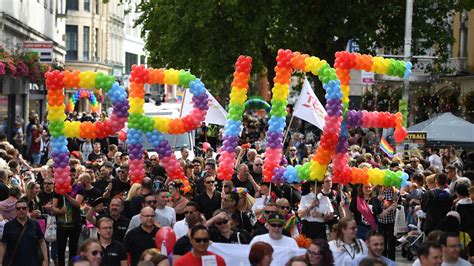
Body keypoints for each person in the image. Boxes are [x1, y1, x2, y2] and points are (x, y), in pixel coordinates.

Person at [0, 199, 48, 266]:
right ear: (15, 210)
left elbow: (42, 241)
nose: (21, 210)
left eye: (24, 208)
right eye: (18, 208)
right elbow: (3, 244)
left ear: (28, 209)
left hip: (33, 262)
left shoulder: (35, 224)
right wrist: (0, 262)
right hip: (14, 262)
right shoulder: (8, 225)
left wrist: (46, 259)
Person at [52, 178, 84, 266]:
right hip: (61, 224)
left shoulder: (79, 188)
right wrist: (60, 211)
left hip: (75, 224)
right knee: (60, 249)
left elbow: (77, 204)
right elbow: (53, 207)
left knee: (73, 249)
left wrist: (66, 195)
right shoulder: (57, 188)